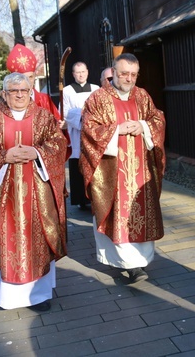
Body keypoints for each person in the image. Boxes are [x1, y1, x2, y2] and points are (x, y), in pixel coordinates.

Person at [0, 72, 68, 311]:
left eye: (24, 90)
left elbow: (58, 143)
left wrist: (38, 153)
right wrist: (4, 156)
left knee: (39, 239)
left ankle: (40, 296)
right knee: (6, 240)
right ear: (5, 94)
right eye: (14, 91)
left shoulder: (44, 117)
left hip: (37, 194)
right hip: (3, 194)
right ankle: (10, 297)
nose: (20, 95)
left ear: (30, 91)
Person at [79, 53, 166, 283]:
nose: (128, 79)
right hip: (112, 171)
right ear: (113, 73)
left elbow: (157, 119)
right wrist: (117, 130)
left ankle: (140, 261)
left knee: (141, 210)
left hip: (141, 170)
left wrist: (143, 125)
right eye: (124, 73)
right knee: (117, 214)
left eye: (133, 74)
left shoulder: (143, 96)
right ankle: (126, 264)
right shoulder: (98, 99)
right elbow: (89, 129)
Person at [63, 62, 100, 209]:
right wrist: (83, 117)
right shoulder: (66, 91)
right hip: (76, 132)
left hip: (93, 133)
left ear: (87, 72)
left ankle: (95, 196)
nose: (81, 75)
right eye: (77, 72)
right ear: (73, 74)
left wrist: (90, 119)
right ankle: (80, 199)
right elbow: (66, 112)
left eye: (83, 72)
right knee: (77, 164)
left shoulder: (96, 89)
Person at [6, 44, 65, 129]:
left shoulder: (44, 100)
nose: (28, 82)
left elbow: (56, 125)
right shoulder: (8, 101)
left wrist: (62, 126)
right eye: (24, 78)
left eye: (30, 77)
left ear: (34, 75)